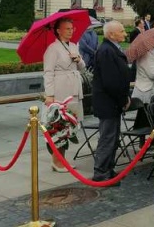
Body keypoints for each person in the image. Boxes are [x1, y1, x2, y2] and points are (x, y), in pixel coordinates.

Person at [44, 18, 86, 172]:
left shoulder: (74, 46)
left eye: (71, 28)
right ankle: (56, 160)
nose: (70, 31)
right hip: (60, 88)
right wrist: (49, 95)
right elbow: (48, 73)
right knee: (59, 125)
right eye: (67, 28)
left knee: (70, 125)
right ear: (58, 30)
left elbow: (82, 67)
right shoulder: (53, 49)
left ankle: (62, 158)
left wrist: (79, 59)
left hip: (74, 87)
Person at [92, 21, 131, 184]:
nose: (125, 33)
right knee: (107, 138)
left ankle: (108, 169)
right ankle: (101, 172)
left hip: (113, 102)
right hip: (108, 103)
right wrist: (123, 100)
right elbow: (111, 81)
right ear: (111, 34)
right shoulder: (107, 50)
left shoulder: (112, 48)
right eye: (121, 31)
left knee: (113, 138)